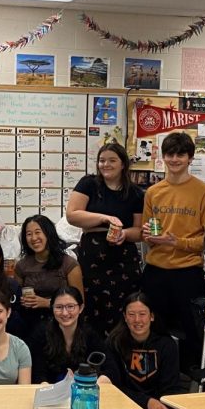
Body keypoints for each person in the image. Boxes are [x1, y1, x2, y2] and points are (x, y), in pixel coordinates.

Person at [140, 132, 205, 377]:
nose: (174, 160)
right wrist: (150, 236)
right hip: (155, 272)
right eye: (170, 154)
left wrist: (178, 242)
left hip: (188, 274)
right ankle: (156, 381)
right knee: (153, 332)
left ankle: (190, 387)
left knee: (192, 336)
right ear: (163, 157)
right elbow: (147, 230)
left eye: (180, 155)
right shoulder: (153, 192)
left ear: (190, 158)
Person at [66, 143, 145, 335]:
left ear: (123, 164)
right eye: (102, 160)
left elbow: (139, 231)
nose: (105, 165)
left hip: (123, 258)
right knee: (92, 307)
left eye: (112, 160)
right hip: (93, 257)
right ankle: (94, 357)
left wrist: (124, 234)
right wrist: (104, 218)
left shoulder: (134, 192)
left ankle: (120, 355)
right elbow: (72, 215)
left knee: (123, 308)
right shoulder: (89, 184)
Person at [104, 293, 189, 409]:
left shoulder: (167, 344)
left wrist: (160, 407)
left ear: (152, 316)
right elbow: (114, 387)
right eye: (131, 314)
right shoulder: (114, 343)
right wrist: (146, 401)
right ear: (125, 317)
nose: (137, 320)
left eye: (142, 314)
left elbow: (171, 388)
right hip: (126, 406)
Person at [13, 214, 83, 348]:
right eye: (29, 234)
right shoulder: (21, 266)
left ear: (48, 234)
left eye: (38, 232)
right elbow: (16, 299)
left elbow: (79, 303)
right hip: (30, 325)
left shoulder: (68, 264)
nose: (34, 238)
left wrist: (47, 303)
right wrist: (22, 301)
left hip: (62, 325)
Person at [31, 287, 111, 384]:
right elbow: (38, 373)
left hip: (84, 391)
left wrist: (101, 380)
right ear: (52, 309)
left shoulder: (90, 334)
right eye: (59, 307)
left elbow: (110, 367)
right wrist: (44, 386)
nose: (65, 313)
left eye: (70, 306)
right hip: (51, 392)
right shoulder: (41, 333)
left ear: (80, 308)